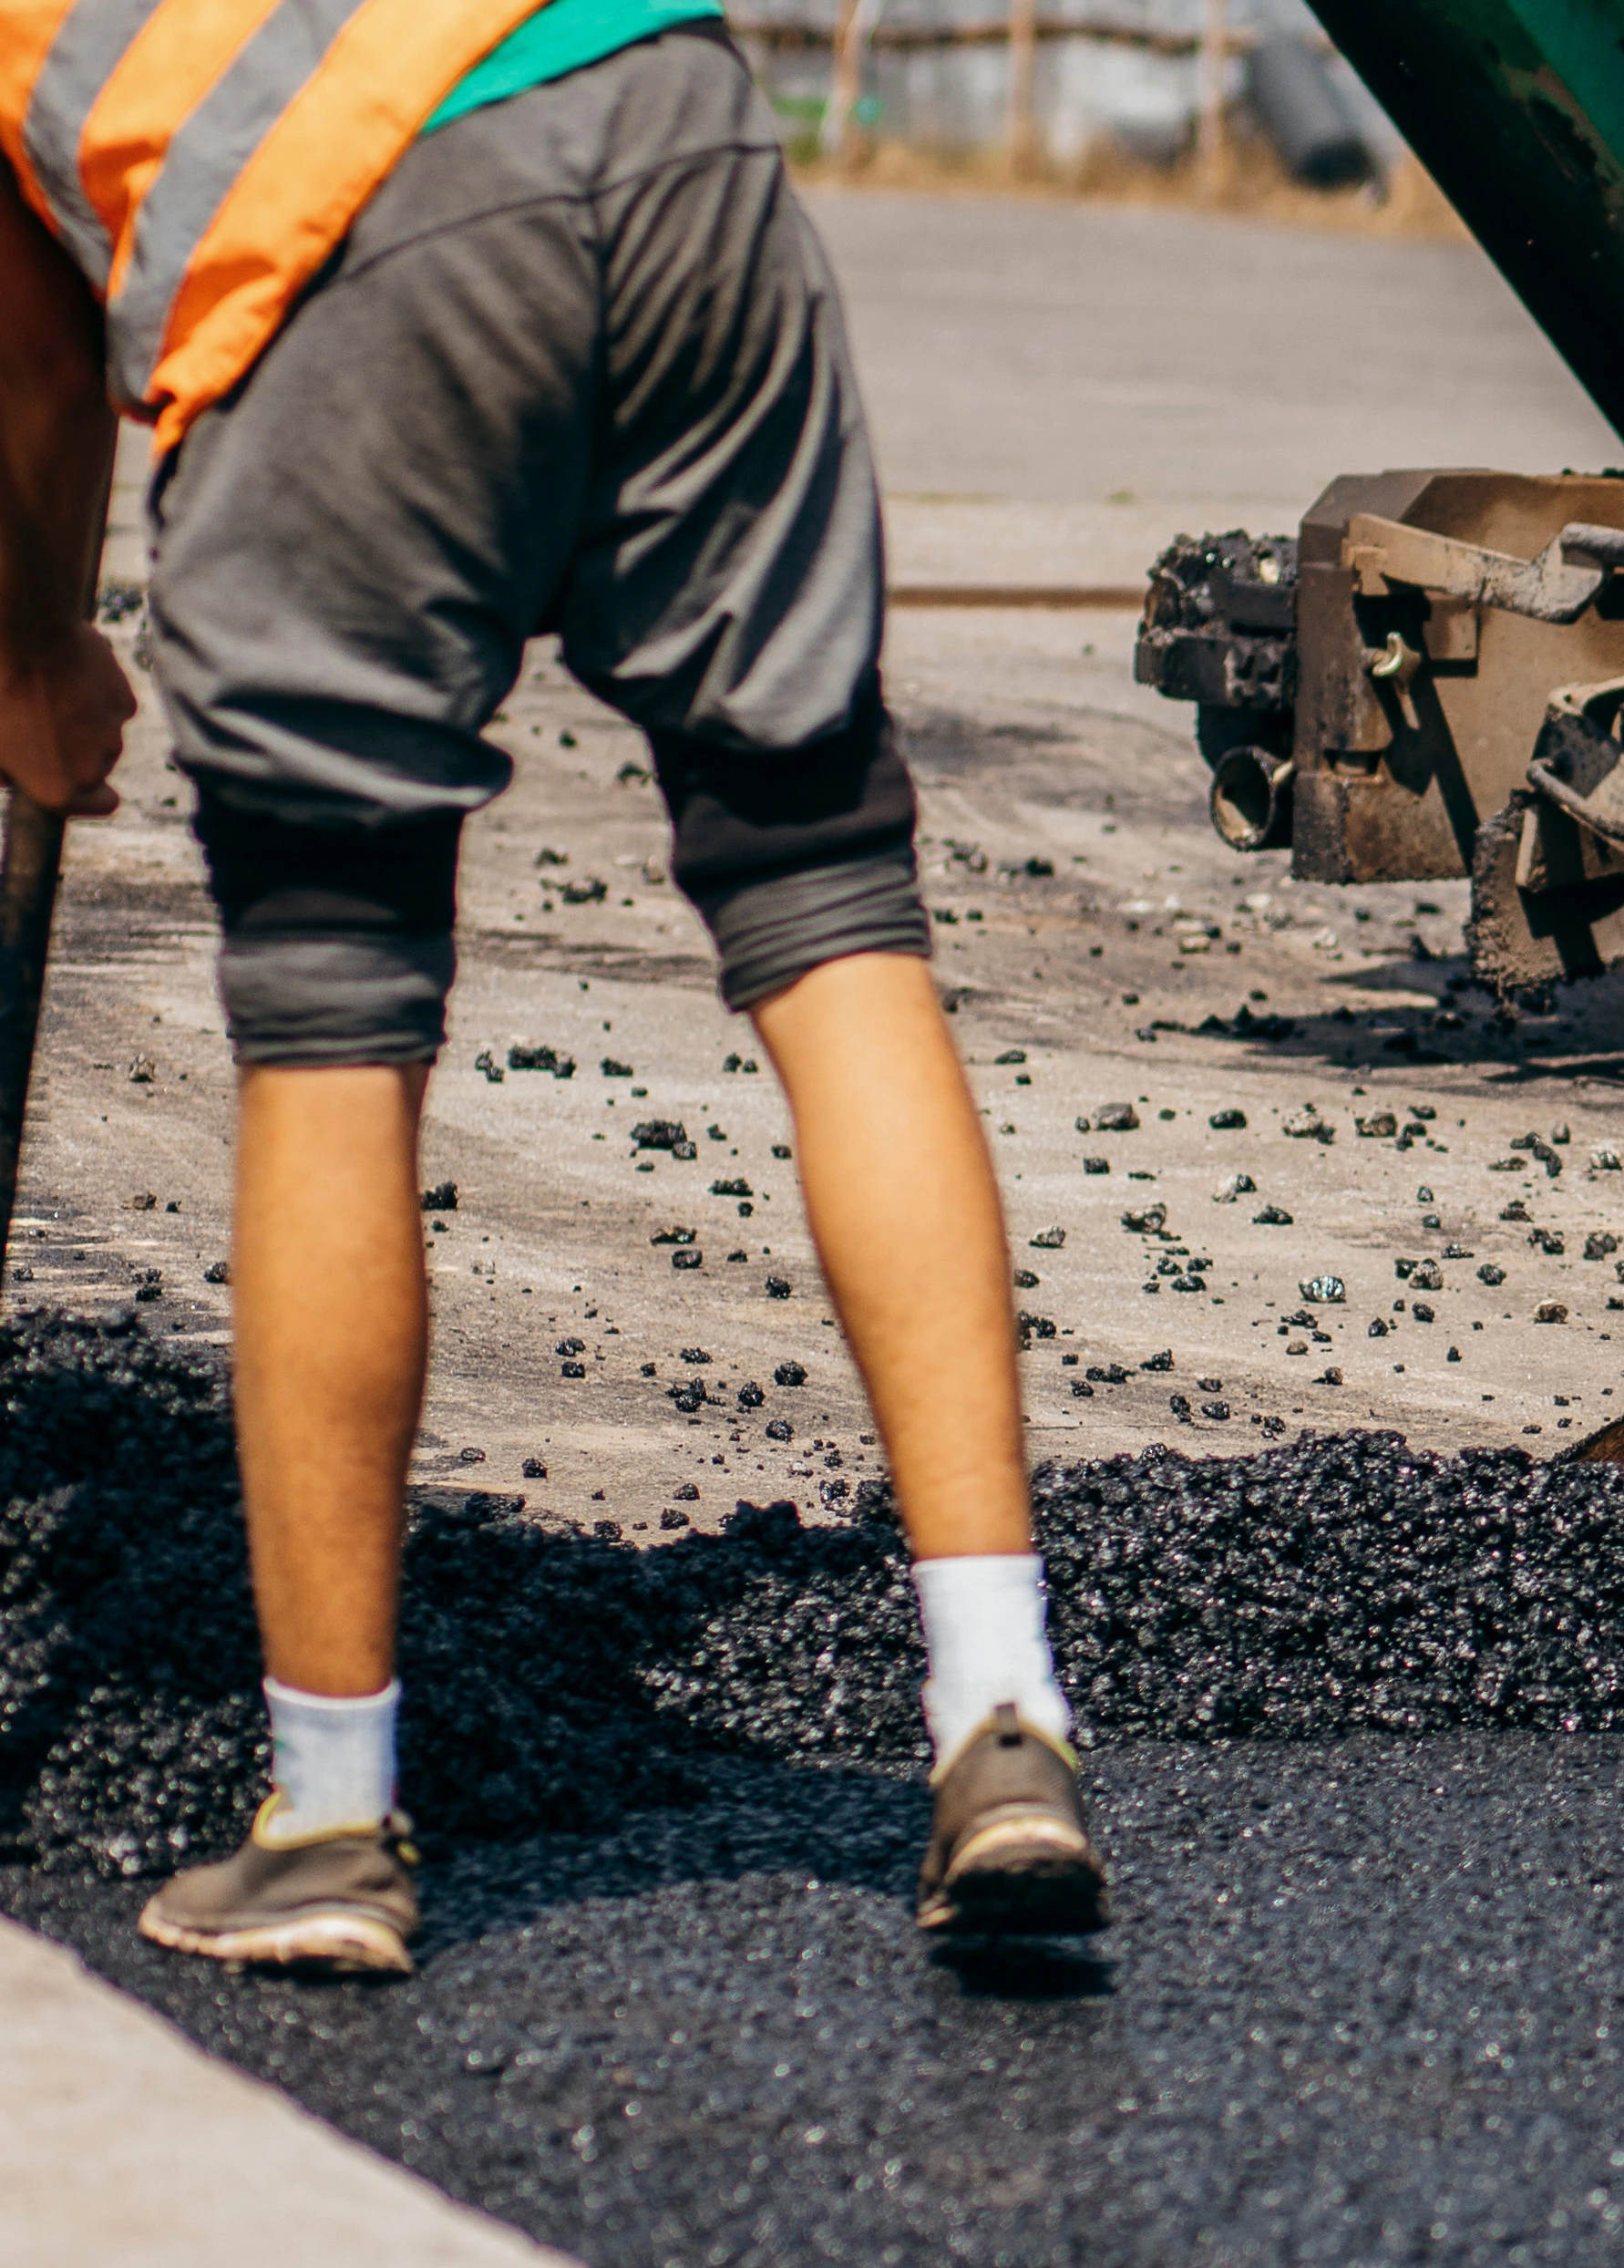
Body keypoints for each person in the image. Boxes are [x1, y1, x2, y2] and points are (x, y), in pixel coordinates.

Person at [0, 2, 1095, 1975]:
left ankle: (332, 1815)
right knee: (828, 893)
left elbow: (24, 366)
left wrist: (36, 654)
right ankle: (1002, 1716)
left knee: (330, 996)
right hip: (674, 123)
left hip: (347, 224)